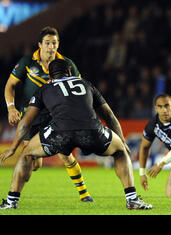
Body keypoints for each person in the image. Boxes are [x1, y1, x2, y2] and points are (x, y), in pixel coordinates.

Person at [0, 59, 152, 210]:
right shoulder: (86, 84)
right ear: (70, 72)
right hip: (91, 131)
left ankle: (11, 201)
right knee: (120, 151)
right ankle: (132, 199)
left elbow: (26, 121)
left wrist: (13, 148)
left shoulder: (45, 88)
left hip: (60, 133)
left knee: (27, 154)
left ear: (51, 76)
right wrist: (122, 142)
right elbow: (109, 116)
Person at [3, 26, 93, 202]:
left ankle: (84, 193)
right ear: (40, 45)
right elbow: (9, 86)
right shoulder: (27, 62)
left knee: (65, 154)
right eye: (47, 43)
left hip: (55, 117)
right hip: (30, 118)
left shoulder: (67, 64)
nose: (51, 47)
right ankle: (20, 184)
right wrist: (11, 108)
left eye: (54, 43)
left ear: (58, 44)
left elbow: (80, 89)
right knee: (33, 163)